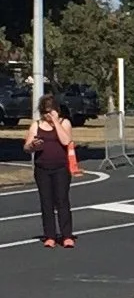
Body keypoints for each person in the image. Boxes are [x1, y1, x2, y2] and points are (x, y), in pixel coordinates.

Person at [24, 92, 75, 248]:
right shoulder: (36, 125)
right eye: (45, 112)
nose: (48, 115)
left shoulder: (64, 123)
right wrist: (33, 145)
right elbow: (26, 147)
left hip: (60, 168)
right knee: (46, 202)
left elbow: (66, 141)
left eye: (50, 111)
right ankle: (50, 236)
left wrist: (55, 122)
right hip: (42, 169)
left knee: (62, 201)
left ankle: (67, 235)